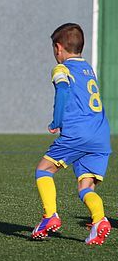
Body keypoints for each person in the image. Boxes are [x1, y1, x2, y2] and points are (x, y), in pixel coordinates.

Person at [31, 23, 111, 245]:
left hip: (78, 133)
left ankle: (50, 216)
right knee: (86, 186)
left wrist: (56, 121)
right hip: (101, 136)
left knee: (44, 170)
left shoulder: (61, 69)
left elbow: (63, 90)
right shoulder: (88, 69)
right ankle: (99, 221)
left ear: (58, 48)